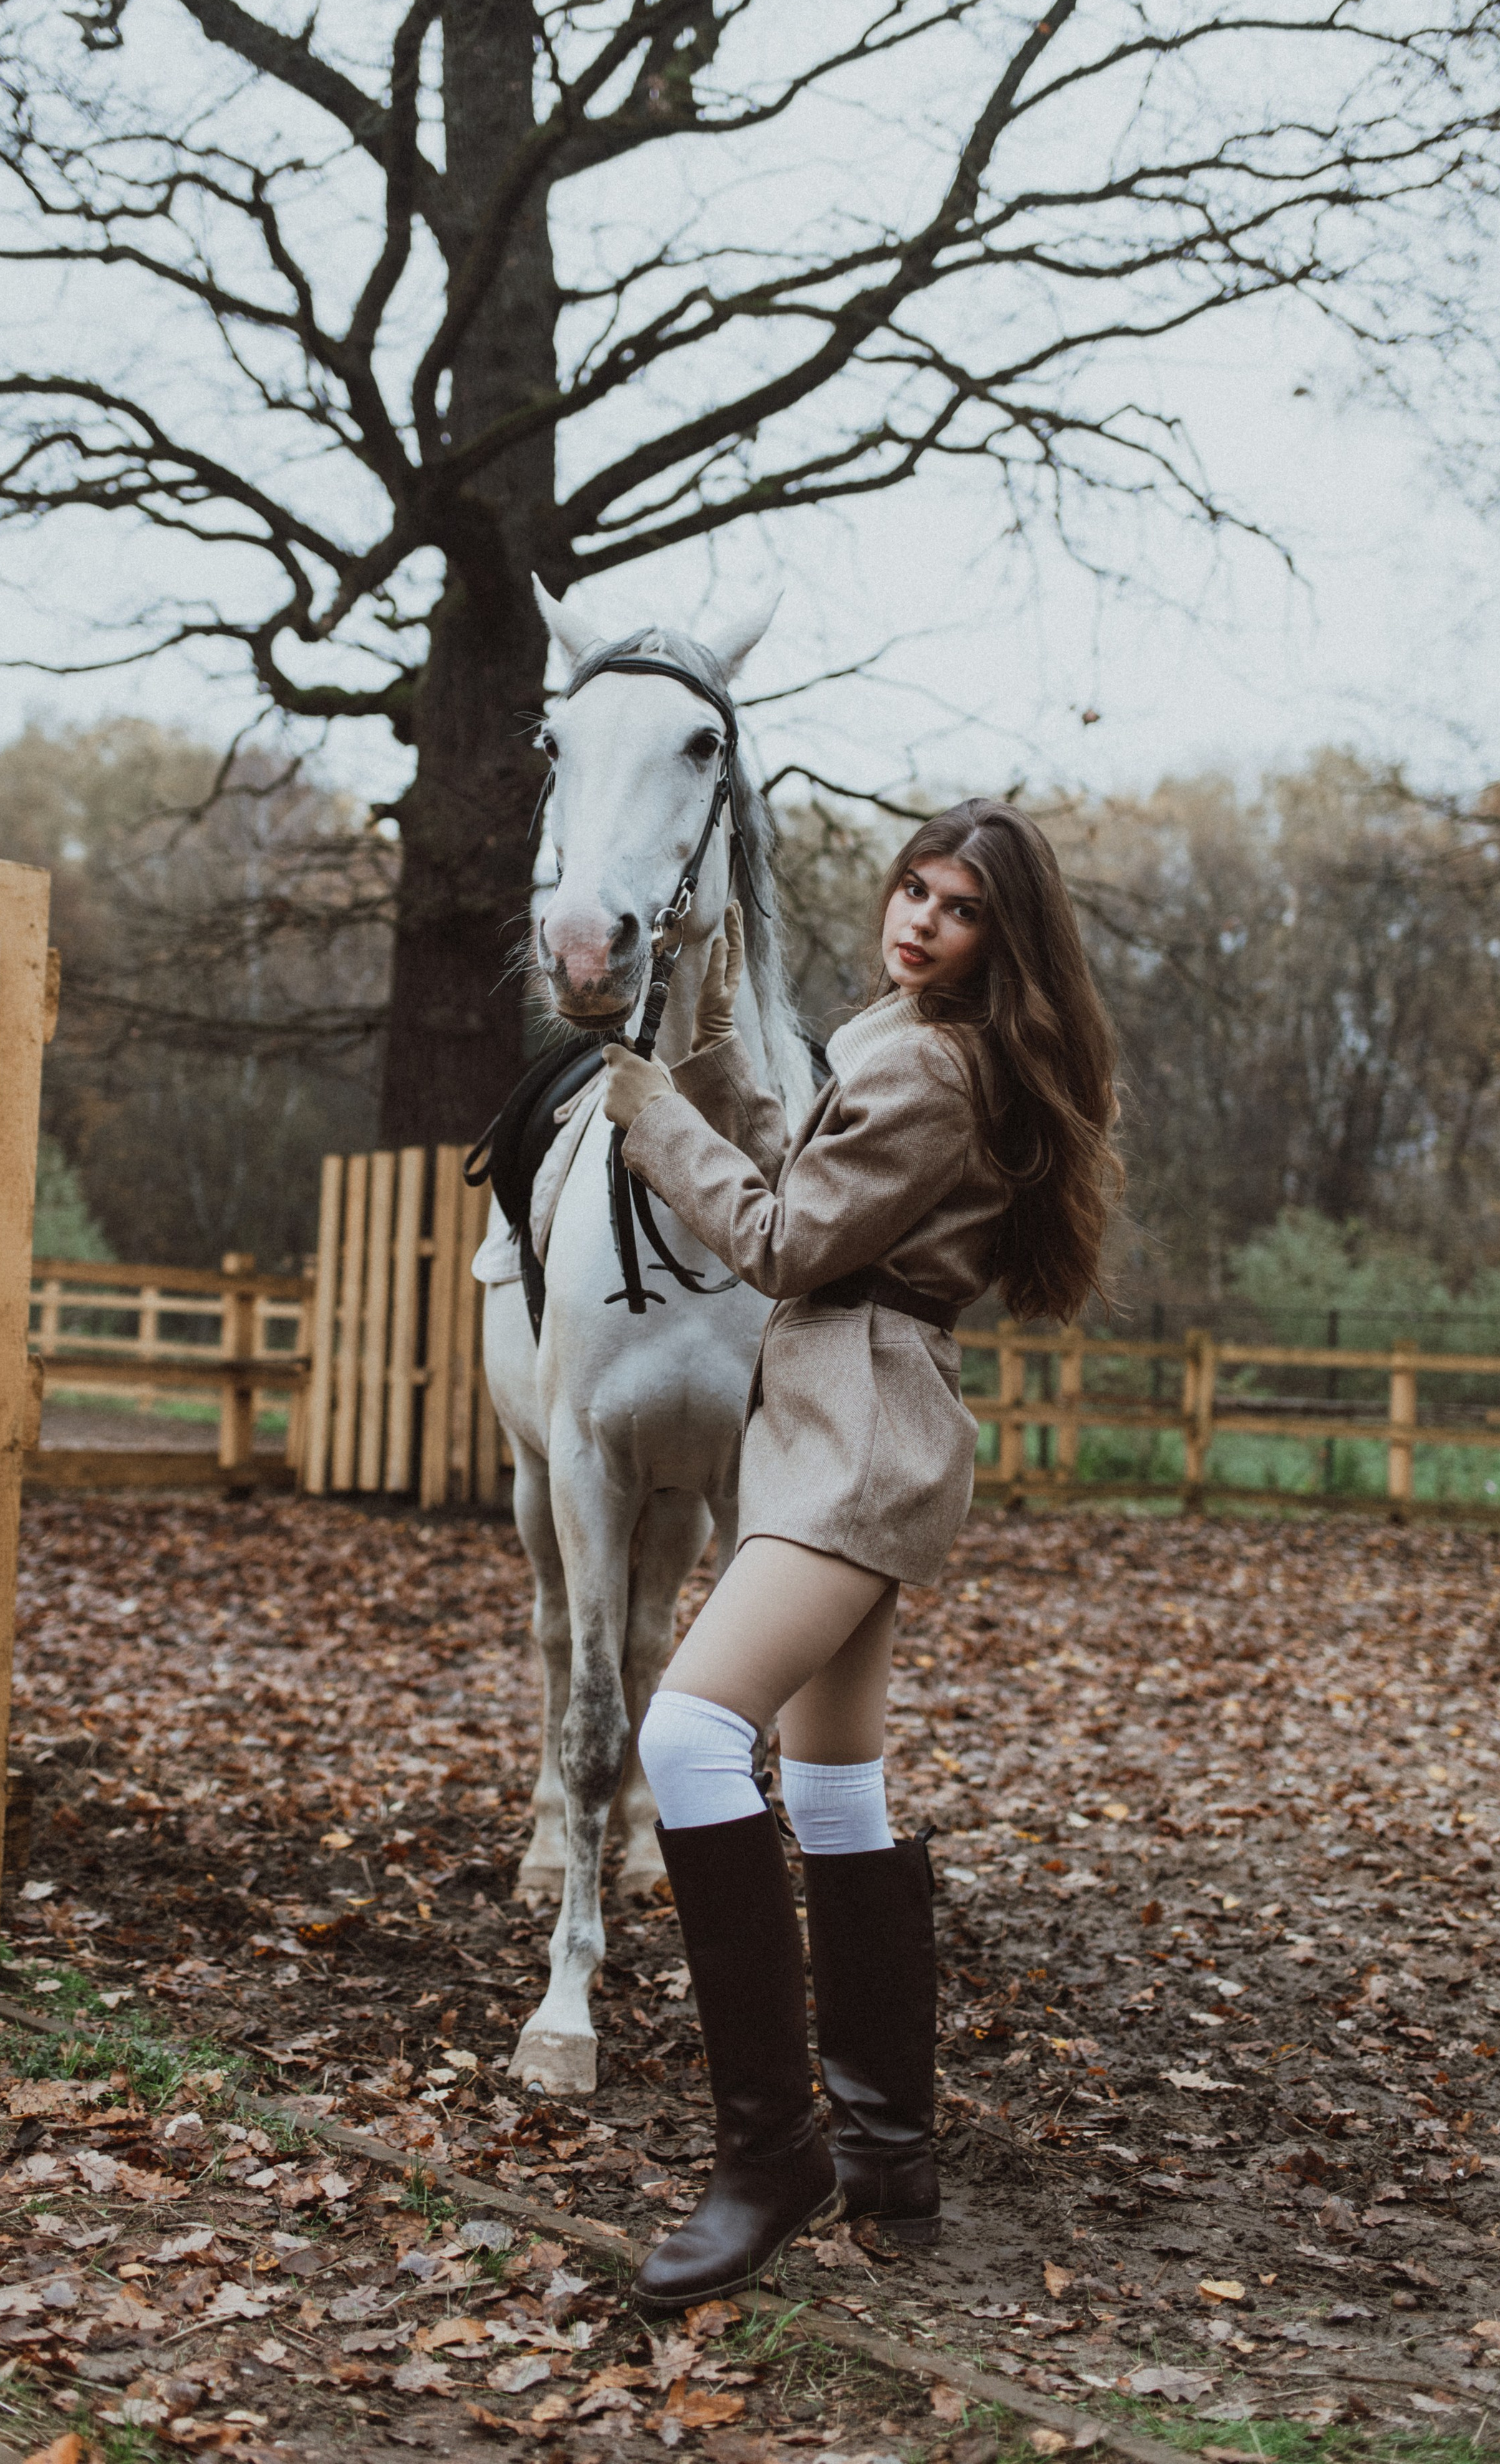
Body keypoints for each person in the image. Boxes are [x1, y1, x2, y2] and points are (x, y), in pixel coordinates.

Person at [599, 798, 1122, 2309]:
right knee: (832, 1785)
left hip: (854, 1433)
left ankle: (769, 2153)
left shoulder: (929, 1069)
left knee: (689, 1734)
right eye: (910, 889)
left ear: (996, 938)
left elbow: (774, 1246)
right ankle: (887, 2148)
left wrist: (648, 1118)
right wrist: (697, 1071)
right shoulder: (904, 1046)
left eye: (957, 908)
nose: (918, 921)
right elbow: (808, 1196)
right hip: (846, 1420)